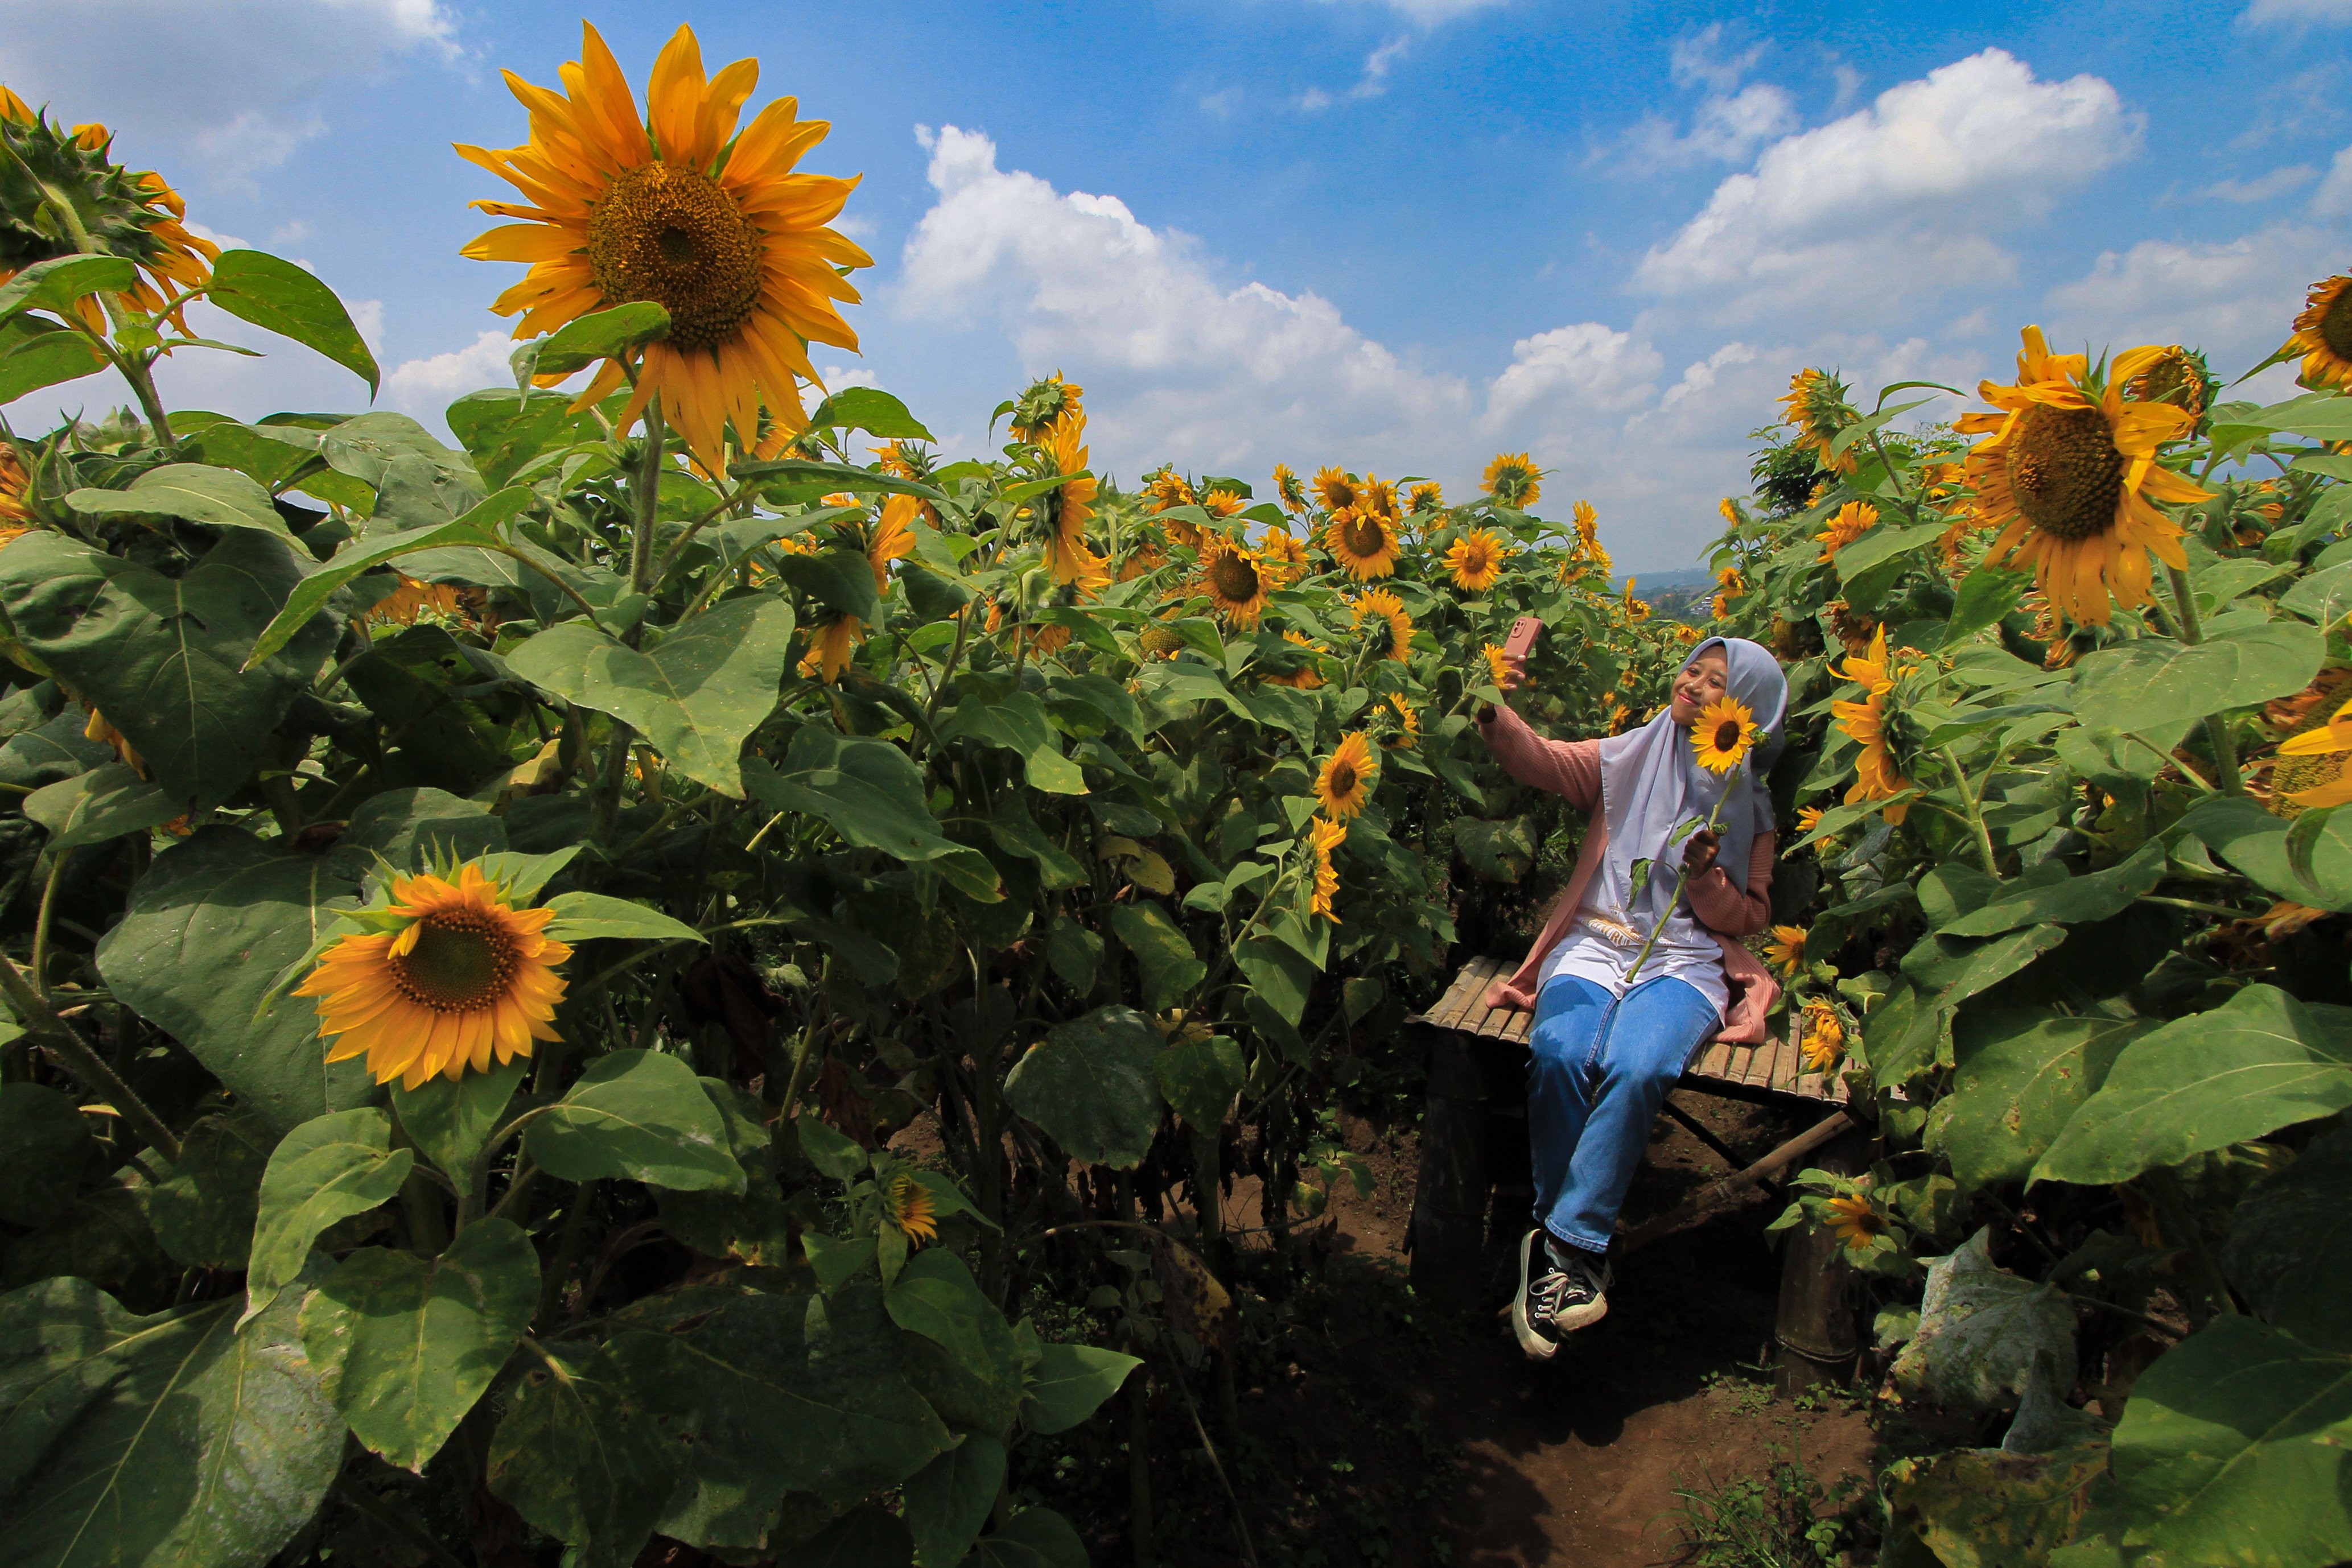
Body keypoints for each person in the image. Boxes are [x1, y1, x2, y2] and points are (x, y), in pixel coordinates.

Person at [1477, 634, 1788, 1359]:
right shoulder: (1624, 756)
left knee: (1638, 1064)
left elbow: (1748, 917)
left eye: (1719, 683)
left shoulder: (1754, 813)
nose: (1696, 687)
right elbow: (1542, 760)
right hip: (1592, 941)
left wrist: (1706, 877)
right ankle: (1576, 1260)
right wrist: (1494, 705)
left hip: (1684, 961)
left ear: (1748, 714)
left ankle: (1554, 1247)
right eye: (1692, 671)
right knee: (1560, 1049)